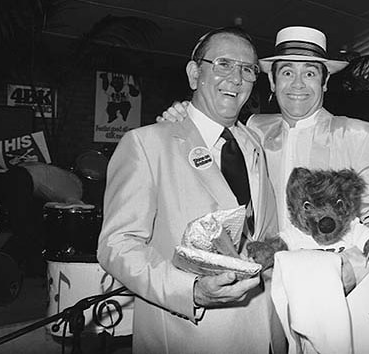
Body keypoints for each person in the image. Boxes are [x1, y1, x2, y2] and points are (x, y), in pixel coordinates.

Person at [97, 27, 285, 354]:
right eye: (223, 64)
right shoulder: (146, 144)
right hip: (191, 334)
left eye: (247, 69)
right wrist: (192, 291)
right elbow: (117, 245)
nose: (236, 78)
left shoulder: (253, 144)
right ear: (194, 73)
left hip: (265, 332)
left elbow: (266, 232)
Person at [159, 26, 369, 244]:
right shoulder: (254, 131)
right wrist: (182, 116)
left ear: (325, 82)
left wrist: (352, 266)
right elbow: (206, 133)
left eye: (310, 74)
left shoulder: (356, 135)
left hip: (333, 281)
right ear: (273, 82)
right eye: (287, 73)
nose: (297, 84)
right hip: (265, 281)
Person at [1, 161, 85, 276]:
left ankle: (14, 264)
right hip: (23, 179)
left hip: (14, 175)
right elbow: (75, 207)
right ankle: (5, 264)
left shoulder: (52, 171)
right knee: (26, 231)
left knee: (26, 227)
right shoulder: (76, 188)